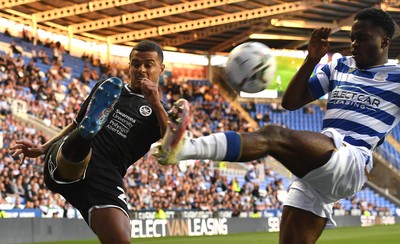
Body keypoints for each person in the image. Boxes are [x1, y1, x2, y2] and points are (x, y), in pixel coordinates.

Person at [154, 8, 398, 244]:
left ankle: (184, 149)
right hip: (320, 166)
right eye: (352, 38)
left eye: (363, 38)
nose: (354, 44)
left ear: (384, 42)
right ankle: (181, 148)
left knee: (272, 134)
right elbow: (291, 102)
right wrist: (312, 59)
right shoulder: (340, 66)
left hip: (351, 160)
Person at [10, 40, 168, 243]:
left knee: (120, 240)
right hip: (68, 157)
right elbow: (75, 123)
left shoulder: (160, 112)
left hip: (106, 176)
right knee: (81, 139)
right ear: (129, 66)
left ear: (161, 69)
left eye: (149, 64)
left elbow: (170, 146)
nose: (141, 70)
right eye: (136, 64)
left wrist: (155, 102)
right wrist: (42, 149)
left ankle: (85, 136)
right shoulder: (110, 87)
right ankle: (84, 137)